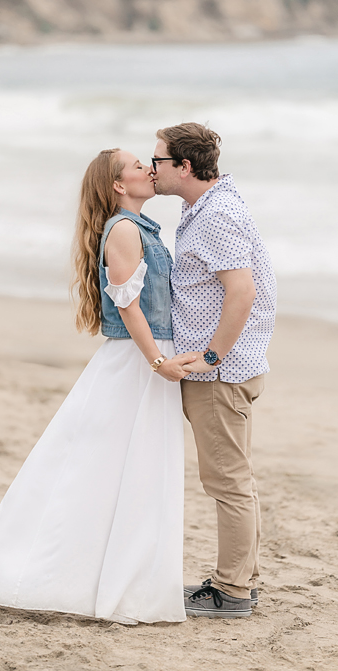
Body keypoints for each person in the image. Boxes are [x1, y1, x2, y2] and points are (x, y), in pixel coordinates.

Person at [0, 149, 197, 624]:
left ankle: (122, 575)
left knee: (128, 471)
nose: (149, 170)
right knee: (117, 469)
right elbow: (128, 305)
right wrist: (159, 361)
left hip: (145, 358)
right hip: (138, 362)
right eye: (138, 166)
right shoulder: (126, 229)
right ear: (116, 185)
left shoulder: (138, 227)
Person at [152, 123, 277, 618]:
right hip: (229, 368)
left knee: (227, 482)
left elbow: (242, 291)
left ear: (184, 166)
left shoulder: (215, 214)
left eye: (158, 159)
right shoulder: (204, 206)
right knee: (235, 479)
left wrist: (209, 357)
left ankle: (232, 592)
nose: (151, 167)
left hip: (221, 375)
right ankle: (240, 580)